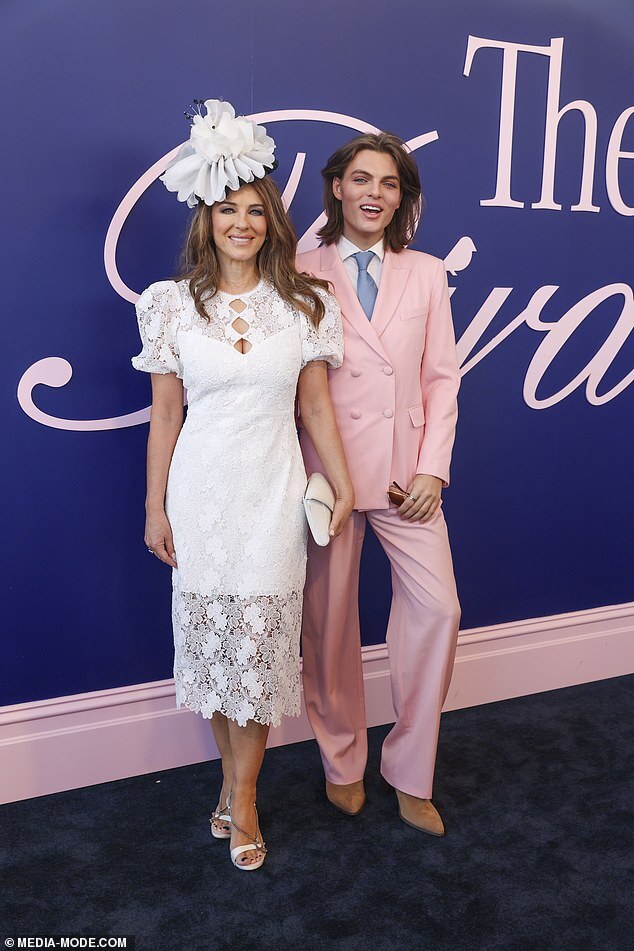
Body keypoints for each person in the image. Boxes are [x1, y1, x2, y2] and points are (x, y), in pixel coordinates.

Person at [132, 99, 354, 870]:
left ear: (272, 220)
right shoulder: (169, 307)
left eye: (255, 211)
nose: (241, 223)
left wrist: (342, 480)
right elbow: (165, 418)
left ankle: (245, 796)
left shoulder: (305, 303)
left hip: (272, 497)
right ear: (206, 217)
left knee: (258, 658)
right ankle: (232, 788)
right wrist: (155, 505)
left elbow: (317, 404)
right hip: (200, 498)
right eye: (228, 209)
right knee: (218, 657)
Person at [298, 132, 461, 835]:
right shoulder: (298, 270)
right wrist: (313, 477)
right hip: (326, 475)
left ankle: (410, 771)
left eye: (389, 184)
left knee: (440, 610)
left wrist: (432, 467)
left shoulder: (426, 271)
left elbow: (441, 377)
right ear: (337, 187)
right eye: (361, 179)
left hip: (405, 477)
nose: (374, 193)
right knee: (330, 628)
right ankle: (342, 762)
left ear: (402, 197)